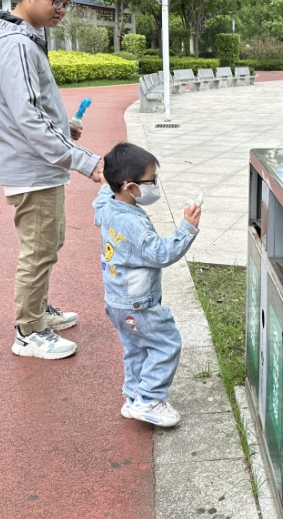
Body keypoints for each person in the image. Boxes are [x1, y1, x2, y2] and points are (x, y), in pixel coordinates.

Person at [0, 0, 103, 359]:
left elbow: (28, 112)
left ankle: (37, 311)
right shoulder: (15, 44)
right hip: (32, 169)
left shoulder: (22, 37)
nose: (62, 10)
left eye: (67, 3)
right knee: (39, 248)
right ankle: (28, 330)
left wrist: (62, 128)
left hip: (39, 165)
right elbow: (29, 120)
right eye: (57, 0)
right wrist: (86, 161)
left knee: (50, 241)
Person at [92, 143, 202, 427]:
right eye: (151, 181)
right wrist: (186, 227)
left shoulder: (108, 205)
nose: (155, 185)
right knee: (166, 343)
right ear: (130, 187)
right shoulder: (133, 224)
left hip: (116, 301)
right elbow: (161, 254)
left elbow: (102, 195)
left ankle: (134, 396)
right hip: (139, 305)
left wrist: (106, 181)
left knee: (137, 347)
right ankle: (150, 400)